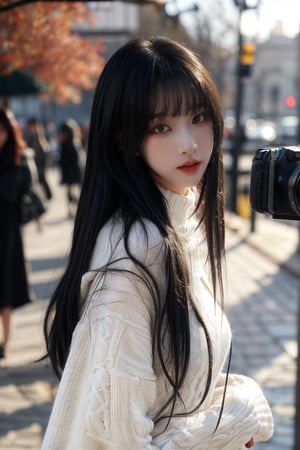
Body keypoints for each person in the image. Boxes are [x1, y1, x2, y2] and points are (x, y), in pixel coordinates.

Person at [42, 37, 273, 449]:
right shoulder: (134, 259)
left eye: (199, 116)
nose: (189, 142)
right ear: (122, 138)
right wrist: (237, 417)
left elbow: (175, 394)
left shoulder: (182, 226)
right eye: (161, 126)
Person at [0, 108, 33, 359]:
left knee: (6, 286)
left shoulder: (18, 159)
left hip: (8, 230)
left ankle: (6, 341)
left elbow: (17, 192)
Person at [57, 118, 85, 217]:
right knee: (69, 193)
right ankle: (72, 208)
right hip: (69, 174)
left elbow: (76, 162)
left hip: (73, 174)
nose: (60, 135)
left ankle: (78, 207)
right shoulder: (66, 145)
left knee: (75, 193)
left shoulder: (72, 145)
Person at [26, 117, 53, 201]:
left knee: (41, 181)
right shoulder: (35, 135)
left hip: (39, 163)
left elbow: (43, 151)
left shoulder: (37, 135)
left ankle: (46, 197)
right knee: (40, 181)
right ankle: (45, 197)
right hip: (38, 163)